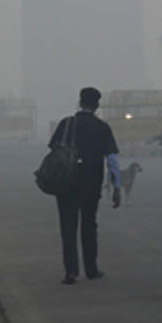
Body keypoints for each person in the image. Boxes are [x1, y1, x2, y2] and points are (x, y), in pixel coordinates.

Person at [49, 87, 122, 284]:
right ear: (97, 105)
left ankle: (71, 271)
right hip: (90, 183)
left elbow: (54, 150)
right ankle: (91, 269)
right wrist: (116, 187)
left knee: (68, 226)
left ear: (80, 102)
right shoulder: (102, 127)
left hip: (65, 182)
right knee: (89, 225)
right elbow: (113, 160)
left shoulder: (66, 124)